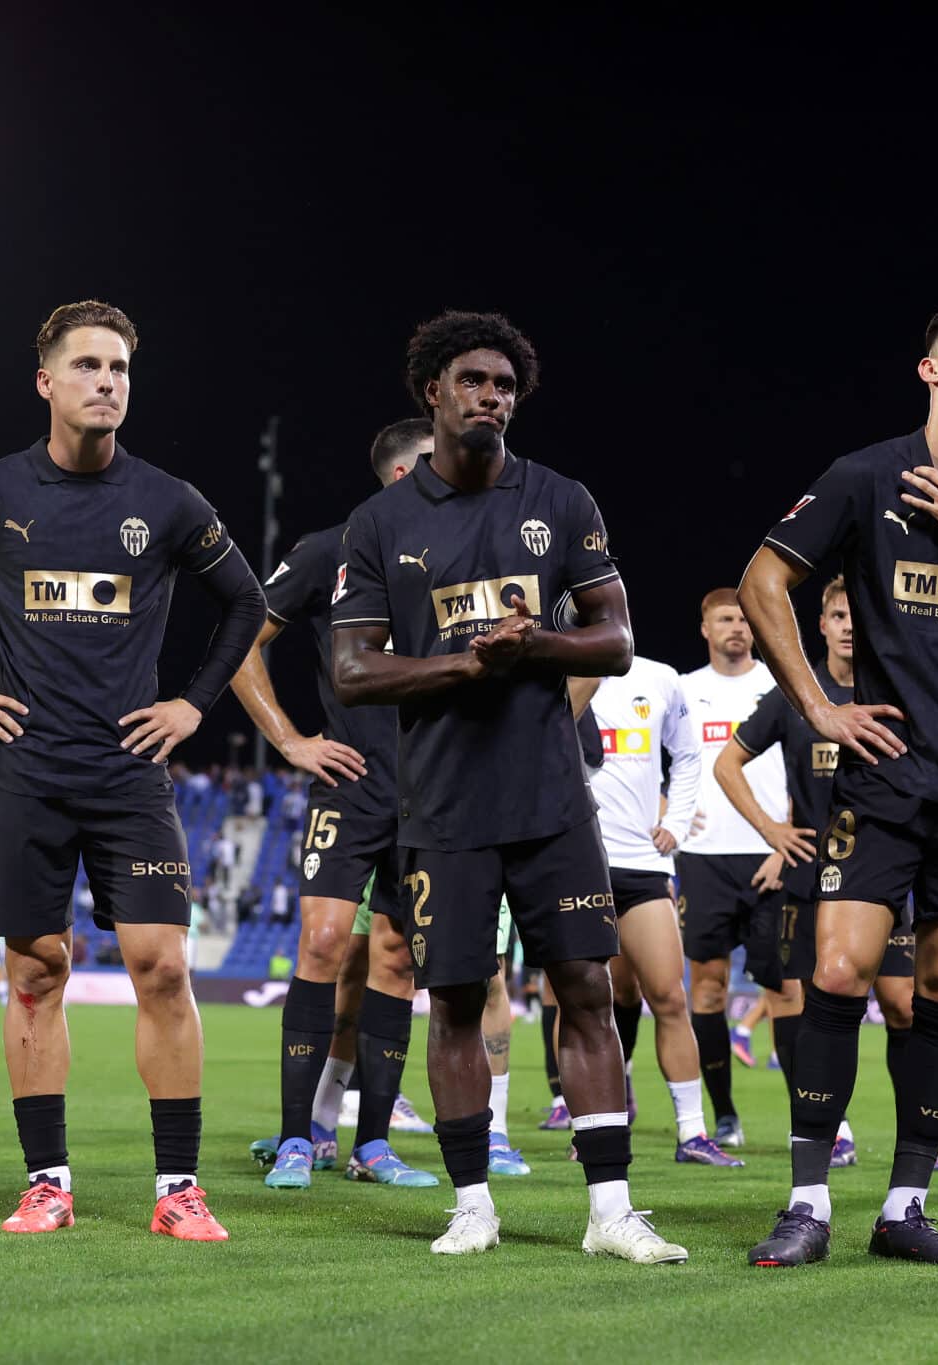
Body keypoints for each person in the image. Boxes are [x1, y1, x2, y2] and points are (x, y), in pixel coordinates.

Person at [0, 301, 265, 1241]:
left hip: (130, 773)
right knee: (36, 972)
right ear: (46, 382)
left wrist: (192, 703)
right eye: (88, 365)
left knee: (162, 967)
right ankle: (47, 1181)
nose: (107, 382)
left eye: (120, 367)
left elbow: (246, 604)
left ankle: (179, 1188)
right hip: (22, 773)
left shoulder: (169, 501)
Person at [330, 309, 684, 1263]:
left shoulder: (561, 500)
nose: (491, 396)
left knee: (583, 988)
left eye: (506, 385)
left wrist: (535, 646)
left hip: (552, 796)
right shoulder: (381, 522)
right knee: (451, 999)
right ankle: (472, 1203)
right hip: (442, 802)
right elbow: (354, 672)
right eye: (474, 381)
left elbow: (615, 638)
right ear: (433, 392)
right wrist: (466, 667)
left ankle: (611, 1209)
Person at [739, 287, 938, 1266]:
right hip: (881, 768)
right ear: (931, 367)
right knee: (835, 969)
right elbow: (763, 579)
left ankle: (902, 1208)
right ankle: (806, 1202)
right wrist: (815, 706)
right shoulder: (861, 476)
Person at [232, 417, 441, 1190]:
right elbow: (243, 640)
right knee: (323, 943)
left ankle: (373, 1143)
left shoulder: (456, 554)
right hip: (349, 782)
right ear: (398, 474)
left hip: (430, 791)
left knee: (396, 958)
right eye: (433, 459)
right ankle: (296, 1138)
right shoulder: (331, 548)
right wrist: (291, 740)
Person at [716, 576, 922, 1169]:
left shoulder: (902, 692)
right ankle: (829, 1131)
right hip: (810, 876)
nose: (851, 625)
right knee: (804, 1005)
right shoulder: (796, 697)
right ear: (824, 625)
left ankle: (915, 1137)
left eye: (859, 613)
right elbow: (729, 764)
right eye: (838, 615)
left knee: (904, 1004)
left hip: (884, 872)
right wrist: (773, 833)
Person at [579, 656, 740, 1166]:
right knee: (592, 1004)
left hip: (643, 864)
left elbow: (690, 755)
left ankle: (692, 1135)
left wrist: (679, 816)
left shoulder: (658, 678)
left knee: (669, 996)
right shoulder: (556, 672)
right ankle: (591, 1130)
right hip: (578, 863)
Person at [677, 589, 791, 1146]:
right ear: (705, 627)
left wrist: (783, 842)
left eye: (745, 619)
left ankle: (815, 1121)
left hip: (773, 856)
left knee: (789, 986)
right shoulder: (683, 690)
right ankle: (724, 1113)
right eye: (725, 618)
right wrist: (663, 811)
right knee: (707, 989)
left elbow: (807, 769)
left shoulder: (780, 684)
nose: (738, 628)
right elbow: (652, 758)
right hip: (702, 859)